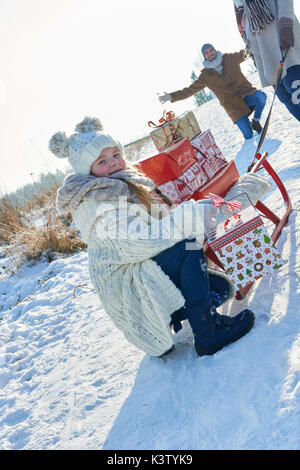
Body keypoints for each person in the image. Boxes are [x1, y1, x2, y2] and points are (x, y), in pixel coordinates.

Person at [49, 116, 255, 358]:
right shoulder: (95, 202)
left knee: (216, 288)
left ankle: (188, 310)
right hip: (130, 282)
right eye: (102, 161)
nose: (114, 164)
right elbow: (136, 242)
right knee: (187, 247)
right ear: (89, 170)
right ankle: (208, 332)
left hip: (142, 265)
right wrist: (188, 218)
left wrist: (193, 211)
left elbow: (157, 220)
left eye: (116, 155)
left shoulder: (121, 183)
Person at [159, 43, 267, 140]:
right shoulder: (205, 75)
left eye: (211, 50)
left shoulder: (229, 58)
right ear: (204, 56)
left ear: (215, 50)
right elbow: (189, 90)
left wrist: (252, 46)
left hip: (247, 94)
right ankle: (247, 123)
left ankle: (256, 121)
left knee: (261, 96)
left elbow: (244, 54)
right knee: (248, 135)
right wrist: (172, 96)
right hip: (234, 106)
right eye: (206, 53)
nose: (210, 53)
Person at [233, 0, 300, 121]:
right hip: (265, 55)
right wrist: (253, 53)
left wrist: (286, 23)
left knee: (296, 90)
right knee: (286, 98)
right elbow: (244, 26)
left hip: (282, 40)